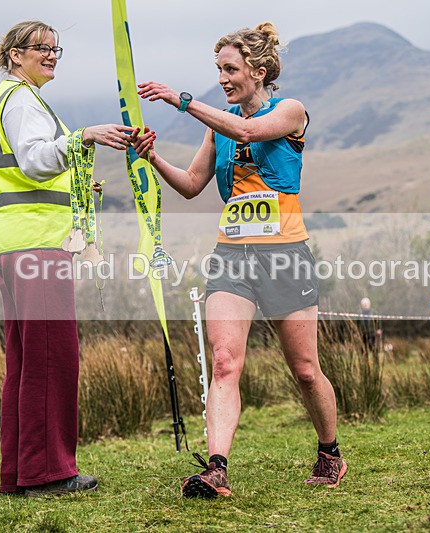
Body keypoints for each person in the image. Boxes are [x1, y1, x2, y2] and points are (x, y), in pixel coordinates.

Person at [133, 22, 347, 498]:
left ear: (259, 69)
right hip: (232, 257)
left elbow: (249, 129)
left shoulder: (290, 110)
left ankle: (330, 451)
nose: (224, 78)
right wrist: (152, 158)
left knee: (305, 369)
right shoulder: (219, 126)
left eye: (230, 69)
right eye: (219, 70)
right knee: (226, 363)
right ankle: (216, 468)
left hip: (286, 256)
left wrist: (183, 101)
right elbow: (191, 185)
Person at [0, 20, 135, 497]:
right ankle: (47, 473)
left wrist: (77, 189)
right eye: (39, 48)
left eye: (55, 48)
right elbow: (33, 160)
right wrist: (84, 137)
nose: (50, 55)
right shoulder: (22, 100)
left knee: (25, 361)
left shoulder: (12, 100)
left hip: (10, 243)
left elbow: (33, 170)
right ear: (13, 55)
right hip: (35, 245)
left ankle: (19, 473)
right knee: (53, 358)